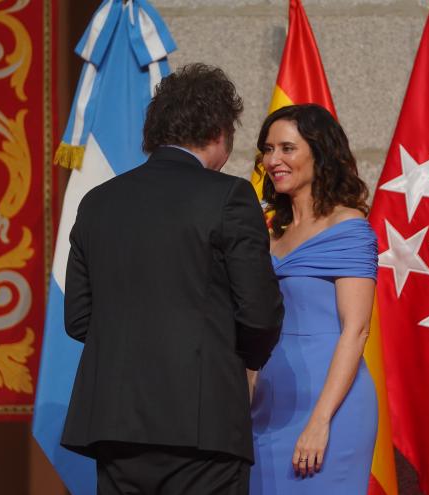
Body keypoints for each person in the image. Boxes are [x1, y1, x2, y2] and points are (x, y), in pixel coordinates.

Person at [61, 63, 284, 495]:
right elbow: (259, 313)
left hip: (114, 423)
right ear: (220, 131)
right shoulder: (229, 196)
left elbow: (78, 318)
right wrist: (233, 359)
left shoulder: (98, 202)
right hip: (203, 424)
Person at [249, 104, 378, 493]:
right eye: (268, 150)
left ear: (319, 153)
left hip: (332, 407)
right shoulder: (268, 236)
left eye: (287, 148)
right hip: (269, 405)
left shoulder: (349, 227)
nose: (274, 160)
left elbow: (356, 331)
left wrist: (320, 421)